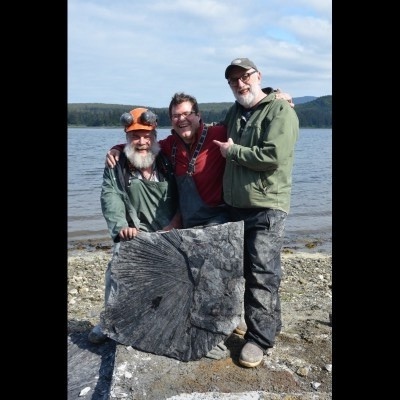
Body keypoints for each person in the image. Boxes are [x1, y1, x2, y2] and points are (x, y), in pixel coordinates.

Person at [213, 57, 299, 368]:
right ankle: (260, 323)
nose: (239, 83)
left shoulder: (280, 110)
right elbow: (217, 136)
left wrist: (233, 151)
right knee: (241, 271)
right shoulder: (235, 111)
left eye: (244, 76)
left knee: (263, 274)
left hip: (267, 207)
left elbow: (273, 156)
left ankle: (260, 340)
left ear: (258, 76)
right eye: (233, 80)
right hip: (236, 205)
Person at [88, 107, 181, 343]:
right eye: (135, 136)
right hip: (135, 232)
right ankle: (109, 320)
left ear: (155, 135)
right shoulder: (117, 164)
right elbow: (110, 197)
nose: (141, 142)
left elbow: (185, 194)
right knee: (118, 263)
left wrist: (174, 224)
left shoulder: (168, 160)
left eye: (147, 135)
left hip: (172, 230)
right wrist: (122, 226)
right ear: (126, 137)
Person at [106, 92, 230, 229]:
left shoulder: (220, 134)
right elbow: (144, 146)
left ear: (198, 116)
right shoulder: (170, 145)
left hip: (218, 219)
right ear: (171, 120)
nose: (182, 119)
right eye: (176, 116)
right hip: (187, 222)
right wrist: (117, 149)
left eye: (187, 113)